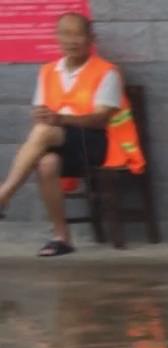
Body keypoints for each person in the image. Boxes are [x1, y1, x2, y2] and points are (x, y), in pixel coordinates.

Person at [0, 12, 145, 257]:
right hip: (60, 142)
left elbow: (100, 119)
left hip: (98, 143)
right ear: (56, 38)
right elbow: (41, 114)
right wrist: (44, 118)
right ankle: (62, 238)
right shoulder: (48, 71)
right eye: (65, 34)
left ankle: (4, 194)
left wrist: (59, 120)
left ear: (91, 38)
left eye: (78, 34)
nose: (71, 40)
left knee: (44, 132)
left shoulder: (106, 72)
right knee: (46, 162)